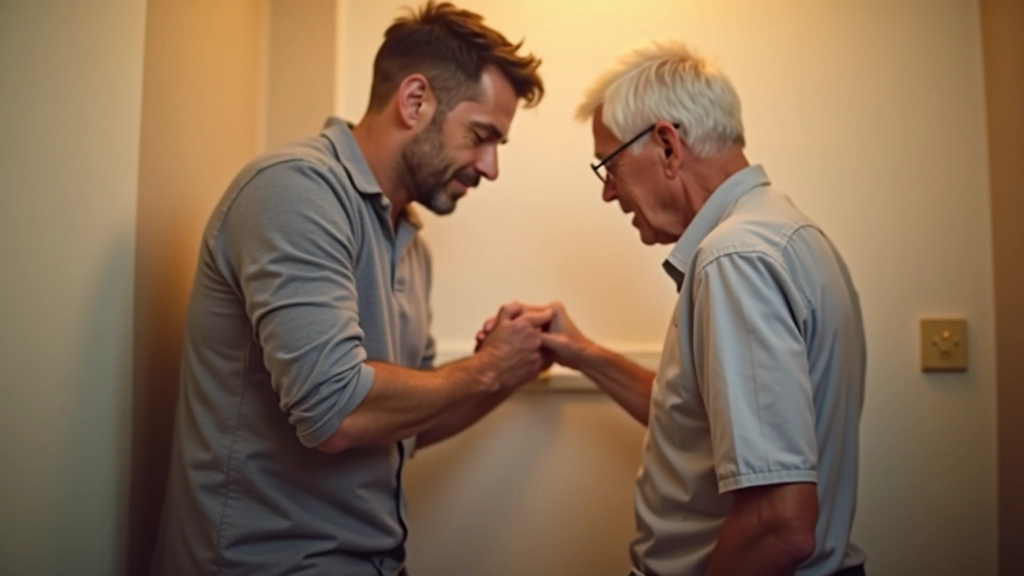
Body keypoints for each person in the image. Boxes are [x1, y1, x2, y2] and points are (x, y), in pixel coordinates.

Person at [150, 3, 548, 575]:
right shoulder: (295, 191)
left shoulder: (411, 243)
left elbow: (411, 421)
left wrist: (510, 368)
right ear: (415, 101)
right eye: (481, 136)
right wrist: (485, 369)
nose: (490, 167)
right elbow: (337, 412)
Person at [480, 41, 867, 576]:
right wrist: (580, 352)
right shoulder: (789, 234)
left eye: (610, 165)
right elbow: (698, 419)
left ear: (666, 145)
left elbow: (779, 525)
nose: (609, 193)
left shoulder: (734, 258)